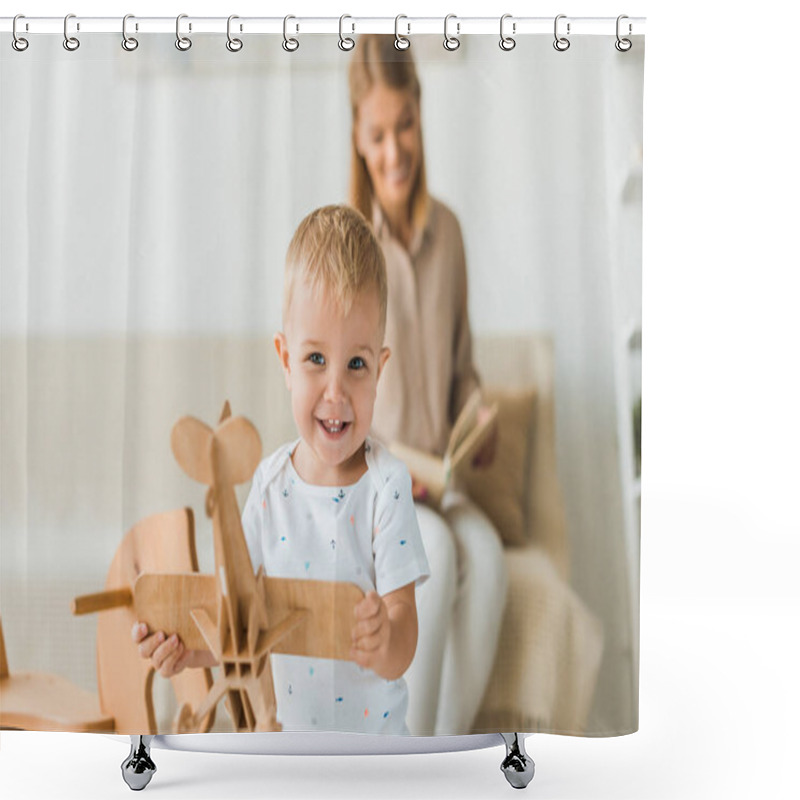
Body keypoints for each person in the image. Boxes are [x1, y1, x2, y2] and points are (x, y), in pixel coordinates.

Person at [133, 204, 430, 734]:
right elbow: (237, 628)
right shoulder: (269, 489)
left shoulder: (387, 487)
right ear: (285, 359)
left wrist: (387, 637)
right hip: (289, 757)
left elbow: (405, 630)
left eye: (356, 365)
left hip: (378, 763)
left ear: (380, 370)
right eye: (316, 359)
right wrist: (182, 648)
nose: (335, 392)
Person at [348, 35, 509, 735]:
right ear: (358, 135)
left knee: (492, 563)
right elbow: (339, 398)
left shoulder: (450, 233)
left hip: (444, 484)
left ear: (421, 111)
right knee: (435, 557)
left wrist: (478, 413)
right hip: (382, 489)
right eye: (378, 134)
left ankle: (443, 755)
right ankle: (407, 756)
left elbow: (461, 367)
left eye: (405, 125)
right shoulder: (352, 246)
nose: (394, 151)